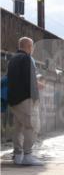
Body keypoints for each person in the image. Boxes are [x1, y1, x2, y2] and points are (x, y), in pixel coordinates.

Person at [7, 37, 42, 166]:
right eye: (32, 47)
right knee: (32, 126)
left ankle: (18, 155)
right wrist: (35, 98)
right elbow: (30, 80)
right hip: (26, 99)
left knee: (18, 127)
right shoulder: (26, 58)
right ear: (29, 46)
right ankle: (27, 155)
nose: (32, 50)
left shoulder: (13, 59)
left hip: (14, 99)